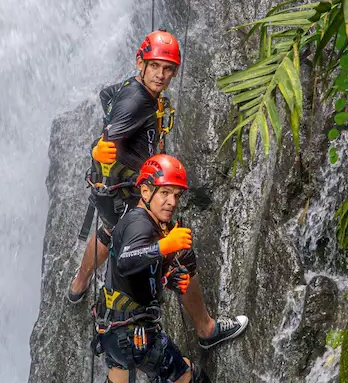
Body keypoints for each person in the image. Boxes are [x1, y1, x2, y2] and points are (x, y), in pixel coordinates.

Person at [78, 155, 287, 383]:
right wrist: (165, 246)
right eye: (164, 192)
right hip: (138, 338)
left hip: (111, 329)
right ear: (145, 191)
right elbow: (126, 261)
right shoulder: (140, 226)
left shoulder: (139, 219)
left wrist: (166, 276)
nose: (171, 201)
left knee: (116, 381)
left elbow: (134, 274)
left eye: (176, 195)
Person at [69, 30, 247, 349]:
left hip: (112, 193)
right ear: (141, 63)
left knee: (109, 230)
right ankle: (207, 330)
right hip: (130, 191)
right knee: (179, 254)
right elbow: (107, 141)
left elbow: (107, 95)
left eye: (168, 69)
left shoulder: (130, 88)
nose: (161, 75)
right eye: (155, 66)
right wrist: (100, 150)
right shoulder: (136, 101)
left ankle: (78, 285)